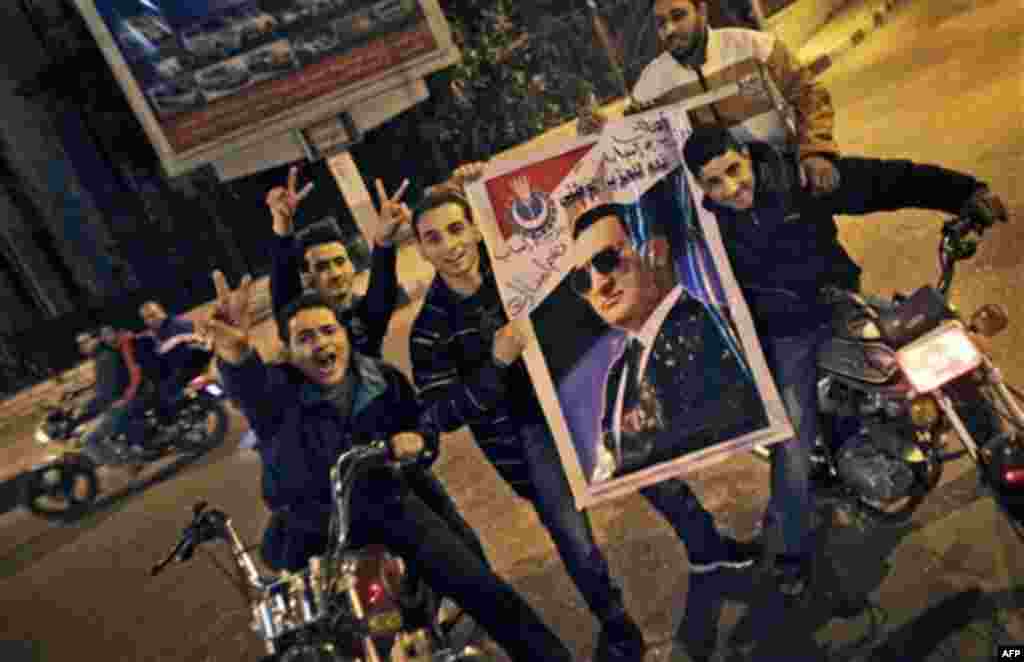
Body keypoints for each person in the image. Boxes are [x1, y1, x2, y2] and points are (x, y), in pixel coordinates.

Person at [408, 172, 758, 662]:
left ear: (473, 228)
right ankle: (619, 631)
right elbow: (443, 413)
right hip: (528, 438)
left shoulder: (517, 268)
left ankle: (711, 554)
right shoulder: (428, 329)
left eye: (455, 229)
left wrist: (592, 148)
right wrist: (495, 364)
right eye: (433, 238)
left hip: (584, 396)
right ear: (421, 250)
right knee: (574, 540)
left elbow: (568, 210)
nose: (450, 245)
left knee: (657, 473)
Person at [681, 125, 1009, 601]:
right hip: (787, 331)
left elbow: (885, 181)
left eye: (734, 170)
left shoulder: (796, 178)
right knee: (791, 441)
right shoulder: (706, 230)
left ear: (745, 156)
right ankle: (789, 552)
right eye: (715, 183)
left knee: (944, 348)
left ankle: (995, 448)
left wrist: (965, 193)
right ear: (702, 188)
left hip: (841, 303)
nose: (732, 189)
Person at [202, 271, 574, 662]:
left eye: (329, 331)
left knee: (481, 588)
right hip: (312, 530)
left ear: (345, 334)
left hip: (389, 505)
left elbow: (421, 426)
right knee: (314, 637)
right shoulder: (277, 394)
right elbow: (248, 385)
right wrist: (237, 353)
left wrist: (418, 441)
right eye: (305, 338)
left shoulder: (381, 380)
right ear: (289, 351)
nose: (321, 344)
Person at [569, 203, 767, 481]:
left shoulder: (715, 329)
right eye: (581, 279)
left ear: (656, 251)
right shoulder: (618, 373)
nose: (599, 285)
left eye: (607, 261)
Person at [580, 0, 840, 196]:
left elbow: (809, 95)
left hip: (784, 179)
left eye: (678, 16)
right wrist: (599, 132)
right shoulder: (650, 83)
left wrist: (815, 151)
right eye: (660, 23)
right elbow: (636, 140)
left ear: (701, 11)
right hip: (723, 201)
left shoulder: (754, 46)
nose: (669, 29)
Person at [265, 166, 408, 354]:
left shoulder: (366, 315)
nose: (335, 273)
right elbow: (284, 287)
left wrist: (384, 241)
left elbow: (383, 288)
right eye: (322, 267)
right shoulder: (299, 323)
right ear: (307, 277)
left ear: (352, 266)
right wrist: (282, 225)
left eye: (340, 261)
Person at [72, 326, 150, 464]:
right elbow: (103, 386)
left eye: (85, 341)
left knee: (88, 440)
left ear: (96, 339)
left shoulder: (104, 358)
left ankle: (125, 466)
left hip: (123, 401)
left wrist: (84, 409)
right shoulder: (102, 357)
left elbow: (105, 393)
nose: (82, 346)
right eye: (80, 344)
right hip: (125, 398)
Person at [137, 300, 212, 428]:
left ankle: (172, 426)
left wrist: (177, 339)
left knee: (159, 395)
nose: (150, 320)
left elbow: (162, 349)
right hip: (189, 367)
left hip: (186, 369)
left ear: (161, 311)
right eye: (146, 318)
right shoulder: (164, 328)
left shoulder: (174, 325)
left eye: (152, 315)